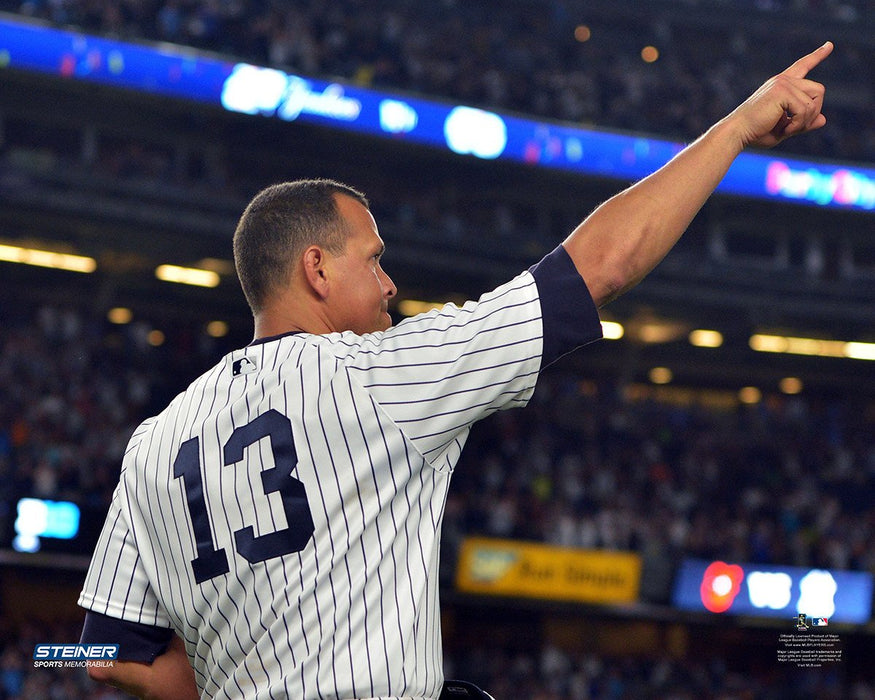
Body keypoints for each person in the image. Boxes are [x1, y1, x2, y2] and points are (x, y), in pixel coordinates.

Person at [78, 41, 833, 699]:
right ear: (315, 268)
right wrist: (736, 127)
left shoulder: (152, 443)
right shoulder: (378, 375)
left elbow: (98, 655)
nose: (388, 285)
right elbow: (598, 268)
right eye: (372, 260)